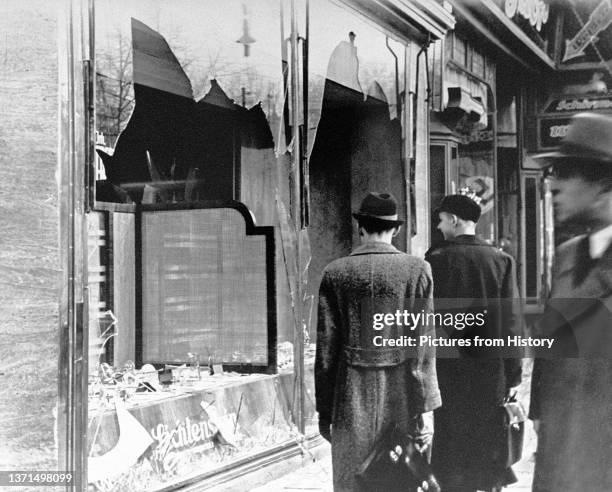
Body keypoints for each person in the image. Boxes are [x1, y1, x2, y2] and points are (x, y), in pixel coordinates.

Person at [315, 192, 441, 492]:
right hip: (401, 396)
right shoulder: (417, 270)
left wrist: (324, 408)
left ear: (361, 227)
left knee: (353, 479)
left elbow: (326, 350)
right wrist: (425, 406)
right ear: (395, 229)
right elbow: (423, 345)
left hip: (349, 395)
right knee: (399, 477)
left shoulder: (335, 273)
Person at [529, 112, 612, 492]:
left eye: (566, 174)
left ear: (602, 185)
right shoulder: (566, 255)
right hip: (561, 455)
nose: (554, 187)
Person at [425, 193, 522, 492]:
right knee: (487, 441)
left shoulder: (435, 260)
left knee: (451, 444)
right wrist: (514, 374)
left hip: (448, 370)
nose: (440, 227)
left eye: (441, 220)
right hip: (489, 370)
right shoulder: (501, 260)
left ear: (453, 220)